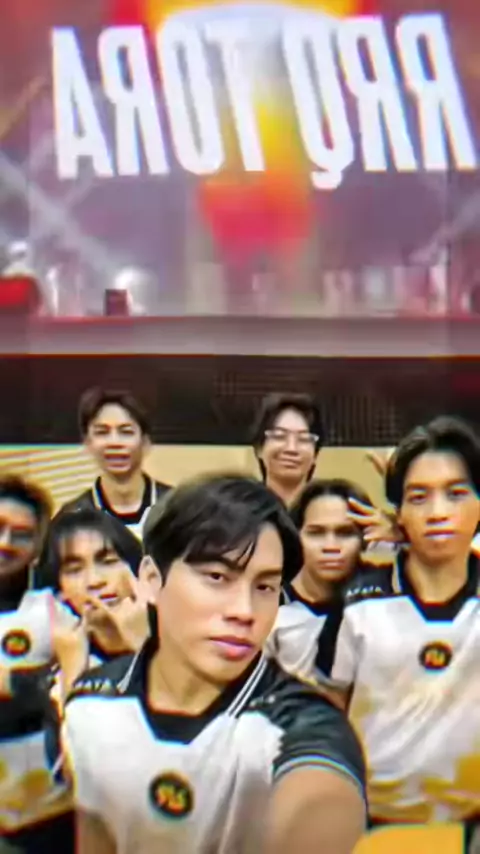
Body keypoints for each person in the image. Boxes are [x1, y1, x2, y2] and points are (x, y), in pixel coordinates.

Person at [58, 474, 366, 854]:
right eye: (218, 577)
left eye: (265, 586)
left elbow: (321, 794)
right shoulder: (91, 699)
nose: (245, 611)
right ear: (152, 579)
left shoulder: (300, 721)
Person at [327, 416, 480, 834]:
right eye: (418, 497)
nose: (438, 513)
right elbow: (327, 709)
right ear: (399, 514)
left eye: (456, 494)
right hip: (372, 822)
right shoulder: (358, 601)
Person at [0, 475, 73, 852]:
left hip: (44, 808)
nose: (6, 543)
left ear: (37, 548)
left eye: (22, 535)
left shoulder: (52, 609)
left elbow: (75, 682)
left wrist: (16, 684)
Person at [37, 508, 149, 700]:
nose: (95, 581)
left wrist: (147, 645)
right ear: (59, 593)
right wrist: (73, 673)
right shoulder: (54, 667)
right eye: (74, 570)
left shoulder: (184, 633)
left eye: (108, 562)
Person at [266, 479, 372, 681]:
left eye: (345, 533)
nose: (330, 546)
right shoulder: (271, 602)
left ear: (365, 539)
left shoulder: (384, 594)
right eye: (316, 533)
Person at [58, 387, 170, 539]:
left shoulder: (176, 508)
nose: (114, 443)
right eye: (102, 432)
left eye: (126, 432)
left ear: (145, 442)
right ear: (87, 444)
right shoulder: (73, 516)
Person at [251, 393, 323, 507]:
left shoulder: (337, 510)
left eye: (303, 439)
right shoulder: (238, 509)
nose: (291, 448)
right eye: (279, 436)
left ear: (315, 453)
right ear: (259, 448)